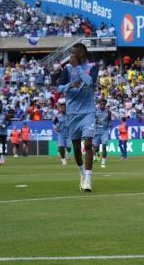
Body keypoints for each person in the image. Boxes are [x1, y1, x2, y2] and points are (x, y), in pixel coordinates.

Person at [57, 43, 99, 192]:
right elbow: (59, 88)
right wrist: (70, 85)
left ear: (83, 53)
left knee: (88, 144)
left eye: (75, 53)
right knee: (75, 147)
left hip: (88, 112)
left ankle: (88, 180)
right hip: (72, 113)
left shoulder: (93, 66)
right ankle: (81, 174)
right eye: (71, 53)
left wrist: (78, 68)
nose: (72, 56)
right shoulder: (67, 69)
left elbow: (89, 82)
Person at [93, 98, 111, 168]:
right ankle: (97, 154)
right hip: (97, 131)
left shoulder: (108, 112)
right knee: (96, 148)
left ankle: (103, 162)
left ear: (105, 105)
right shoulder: (95, 111)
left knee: (104, 146)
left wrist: (109, 124)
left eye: (104, 104)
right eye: (101, 104)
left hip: (104, 131)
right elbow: (92, 120)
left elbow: (109, 120)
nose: (102, 106)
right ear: (99, 104)